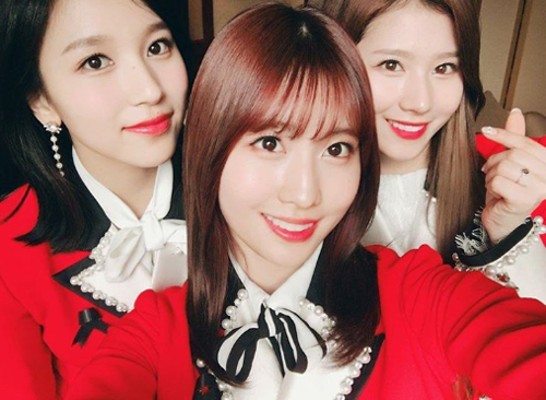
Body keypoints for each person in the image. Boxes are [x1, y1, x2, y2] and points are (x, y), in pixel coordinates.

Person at [66, 4, 546, 400]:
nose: (304, 194)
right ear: (208, 146)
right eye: (270, 143)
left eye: (336, 149)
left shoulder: (415, 290)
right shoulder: (153, 333)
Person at [0, 0, 191, 398]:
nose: (150, 90)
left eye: (157, 46)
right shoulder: (11, 243)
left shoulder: (249, 188)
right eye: (95, 61)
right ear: (42, 101)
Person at [315, 0, 546, 302]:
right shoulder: (287, 183)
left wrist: (508, 229)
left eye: (444, 67)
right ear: (334, 61)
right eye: (391, 64)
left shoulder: (510, 182)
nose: (421, 102)